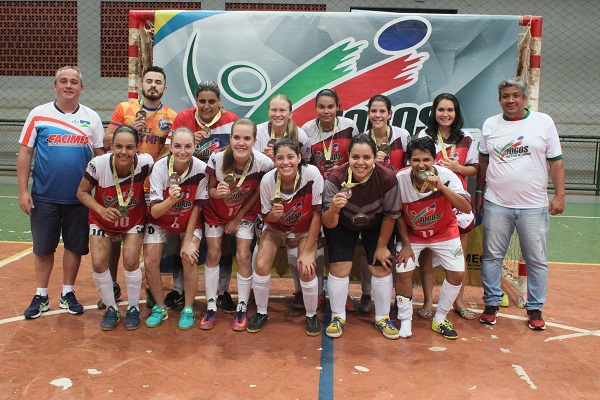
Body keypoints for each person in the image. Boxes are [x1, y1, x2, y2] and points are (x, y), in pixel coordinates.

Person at [476, 77, 565, 330]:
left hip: (534, 206)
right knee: (492, 257)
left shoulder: (543, 122)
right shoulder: (490, 125)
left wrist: (559, 195)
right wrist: (480, 193)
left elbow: (556, 162)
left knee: (536, 259)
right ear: (500, 99)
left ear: (524, 98)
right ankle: (491, 304)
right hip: (496, 204)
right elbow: (483, 163)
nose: (510, 100)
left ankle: (535, 308)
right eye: (505, 96)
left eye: (515, 95)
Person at [17, 66, 105, 319]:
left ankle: (68, 293)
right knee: (44, 249)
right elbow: (25, 153)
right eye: (63, 81)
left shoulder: (92, 118)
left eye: (74, 82)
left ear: (81, 88)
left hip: (80, 198)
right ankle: (41, 295)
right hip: (44, 197)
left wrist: (101, 194)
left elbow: (100, 157)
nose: (69, 85)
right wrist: (23, 191)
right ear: (55, 86)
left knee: (74, 247)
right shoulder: (39, 115)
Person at [101, 65, 177, 310]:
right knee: (115, 238)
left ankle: (149, 287)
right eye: (149, 81)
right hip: (123, 187)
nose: (153, 85)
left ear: (164, 88)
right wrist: (131, 128)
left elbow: (171, 150)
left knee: (147, 241)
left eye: (158, 82)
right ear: (141, 86)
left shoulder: (172, 116)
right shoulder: (125, 109)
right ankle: (112, 284)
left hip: (152, 187)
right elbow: (105, 141)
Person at [168, 81, 239, 312]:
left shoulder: (231, 120)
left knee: (224, 244)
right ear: (195, 102)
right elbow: (168, 154)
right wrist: (192, 144)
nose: (206, 106)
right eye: (202, 101)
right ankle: (178, 291)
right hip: (190, 190)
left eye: (211, 101)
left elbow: (239, 155)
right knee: (182, 239)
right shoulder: (183, 119)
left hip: (220, 191)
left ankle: (223, 291)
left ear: (220, 102)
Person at [321, 134, 401, 339]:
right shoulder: (335, 179)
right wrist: (334, 209)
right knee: (340, 268)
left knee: (381, 266)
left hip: (376, 223)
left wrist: (382, 247)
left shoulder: (387, 178)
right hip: (343, 223)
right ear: (348, 158)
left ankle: (382, 317)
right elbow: (328, 223)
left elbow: (391, 215)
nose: (361, 162)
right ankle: (338, 316)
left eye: (367, 157)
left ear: (375, 157)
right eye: (355, 157)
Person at [395, 136, 472, 340]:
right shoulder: (400, 178)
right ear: (408, 161)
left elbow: (466, 207)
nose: (421, 165)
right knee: (403, 271)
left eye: (426, 160)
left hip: (444, 231)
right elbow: (396, 215)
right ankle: (405, 320)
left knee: (457, 274)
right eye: (416, 160)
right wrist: (406, 244)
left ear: (434, 159)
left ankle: (440, 319)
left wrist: (442, 188)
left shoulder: (448, 176)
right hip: (413, 235)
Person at [77, 126, 153, 330]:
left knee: (130, 261)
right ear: (111, 146)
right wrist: (101, 210)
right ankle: (111, 308)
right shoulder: (98, 165)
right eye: (118, 146)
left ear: (137, 148)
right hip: (102, 220)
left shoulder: (146, 163)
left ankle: (134, 308)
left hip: (133, 220)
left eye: (129, 147)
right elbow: (82, 193)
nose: (123, 152)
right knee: (99, 263)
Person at [203, 118, 274, 331]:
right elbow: (210, 190)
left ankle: (242, 306)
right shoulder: (216, 159)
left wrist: (237, 218)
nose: (241, 143)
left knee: (243, 255)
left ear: (254, 140)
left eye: (246, 138)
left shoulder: (263, 163)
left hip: (243, 212)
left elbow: (255, 192)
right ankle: (211, 305)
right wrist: (217, 192)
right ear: (231, 139)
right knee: (213, 254)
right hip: (216, 211)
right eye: (236, 137)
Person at [248, 138, 324, 335]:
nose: (286, 162)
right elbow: (267, 217)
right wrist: (275, 214)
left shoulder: (312, 174)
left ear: (299, 158)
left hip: (305, 229)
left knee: (307, 268)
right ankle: (262, 312)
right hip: (275, 228)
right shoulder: (267, 181)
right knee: (262, 264)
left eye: (290, 157)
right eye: (280, 158)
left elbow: (317, 215)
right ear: (274, 160)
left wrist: (307, 251)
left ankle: (311, 315)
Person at [414, 93, 479, 320]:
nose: (445, 114)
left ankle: (458, 302)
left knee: (458, 255)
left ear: (456, 113)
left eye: (450, 110)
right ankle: (427, 301)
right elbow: (414, 165)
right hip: (430, 201)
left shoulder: (466, 138)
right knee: (427, 254)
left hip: (456, 201)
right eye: (441, 110)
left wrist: (458, 168)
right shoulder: (424, 136)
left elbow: (475, 169)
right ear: (434, 112)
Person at [254, 94, 316, 310]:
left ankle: (305, 298)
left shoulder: (301, 136)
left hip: (297, 197)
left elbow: (306, 163)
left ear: (291, 113)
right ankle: (258, 300)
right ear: (268, 112)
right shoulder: (258, 132)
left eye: (282, 110)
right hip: (264, 193)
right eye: (273, 110)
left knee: (303, 254)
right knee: (260, 258)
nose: (278, 114)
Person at [143, 127, 208, 329]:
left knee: (189, 257)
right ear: (170, 147)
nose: (182, 151)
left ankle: (188, 308)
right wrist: (171, 200)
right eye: (177, 146)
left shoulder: (201, 169)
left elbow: (197, 206)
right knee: (150, 259)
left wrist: (187, 241)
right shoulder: (160, 168)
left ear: (195, 147)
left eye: (188, 146)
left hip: (188, 219)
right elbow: (154, 212)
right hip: (160, 219)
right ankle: (160, 307)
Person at [302, 88, 359, 312]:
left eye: (330, 106)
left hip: (341, 191)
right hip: (316, 192)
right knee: (316, 242)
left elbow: (358, 157)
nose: (326, 111)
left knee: (336, 242)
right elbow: (304, 163)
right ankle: (315, 293)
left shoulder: (349, 126)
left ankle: (337, 293)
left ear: (338, 107)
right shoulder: (307, 129)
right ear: (316, 108)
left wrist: (342, 170)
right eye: (321, 107)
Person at [358, 94, 411, 313]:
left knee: (396, 248)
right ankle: (366, 292)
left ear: (390, 114)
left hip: (399, 199)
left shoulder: (403, 135)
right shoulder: (362, 138)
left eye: (382, 111)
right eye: (373, 111)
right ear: (368, 114)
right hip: (371, 201)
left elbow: (410, 167)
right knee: (368, 248)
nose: (377, 115)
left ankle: (398, 298)